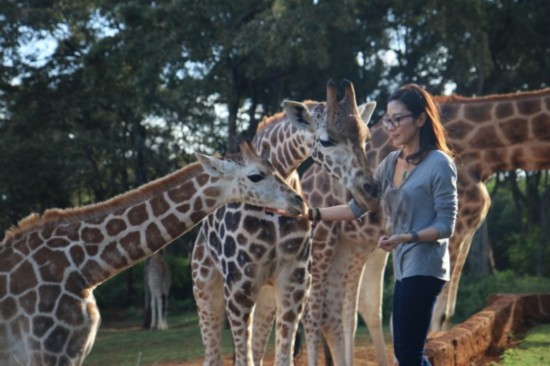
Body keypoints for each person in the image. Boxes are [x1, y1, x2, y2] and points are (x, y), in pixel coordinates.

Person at [307, 83, 458, 366]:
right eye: (387, 119)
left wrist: (404, 237)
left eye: (397, 119)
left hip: (427, 268)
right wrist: (312, 213)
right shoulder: (390, 163)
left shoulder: (440, 163)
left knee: (408, 354)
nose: (390, 126)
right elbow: (357, 207)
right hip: (404, 268)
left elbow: (446, 226)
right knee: (407, 353)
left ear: (421, 119)